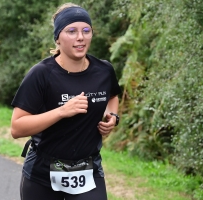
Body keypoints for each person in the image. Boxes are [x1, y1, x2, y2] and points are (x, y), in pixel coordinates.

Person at [11, 2, 121, 200]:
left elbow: (113, 95)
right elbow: (17, 128)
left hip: (87, 171)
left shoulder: (104, 71)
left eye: (86, 30)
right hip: (43, 173)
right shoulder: (41, 74)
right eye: (71, 31)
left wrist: (112, 115)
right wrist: (62, 111)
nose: (80, 37)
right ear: (58, 39)